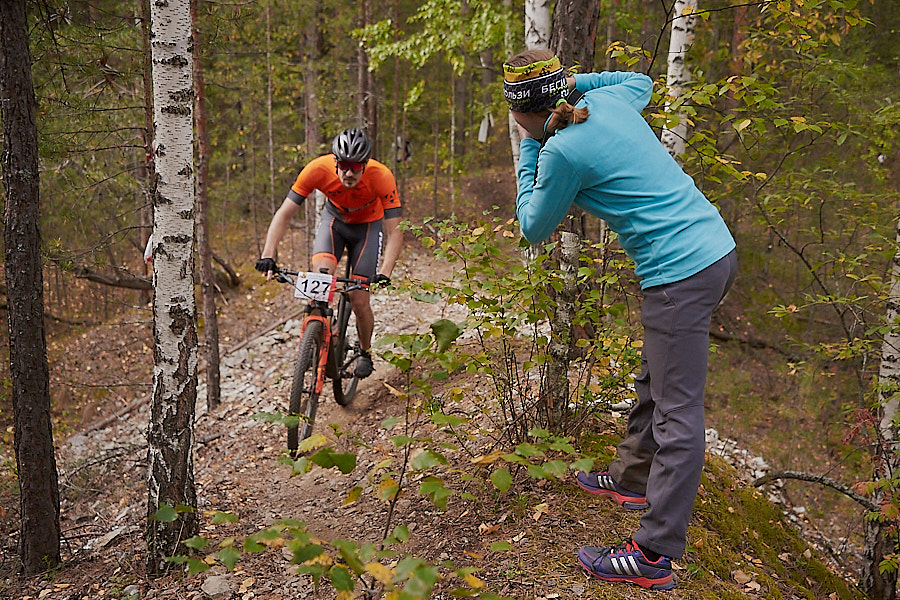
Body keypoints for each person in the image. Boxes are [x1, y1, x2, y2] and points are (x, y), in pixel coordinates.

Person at [503, 49, 737, 590]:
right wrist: (564, 87)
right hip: (712, 250)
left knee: (679, 412)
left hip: (681, 272)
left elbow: (532, 226)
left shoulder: (559, 149)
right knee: (656, 371)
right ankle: (633, 477)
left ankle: (653, 552)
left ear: (523, 114)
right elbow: (641, 79)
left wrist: (528, 153)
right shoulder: (609, 98)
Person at [256, 128, 403, 378]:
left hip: (367, 226)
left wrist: (385, 272)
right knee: (319, 282)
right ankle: (321, 335)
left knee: (358, 298)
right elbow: (285, 213)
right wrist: (268, 254)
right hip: (334, 221)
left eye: (356, 167)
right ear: (335, 161)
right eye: (344, 165)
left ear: (365, 165)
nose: (349, 172)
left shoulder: (382, 177)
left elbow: (396, 231)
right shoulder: (317, 169)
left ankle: (364, 351)